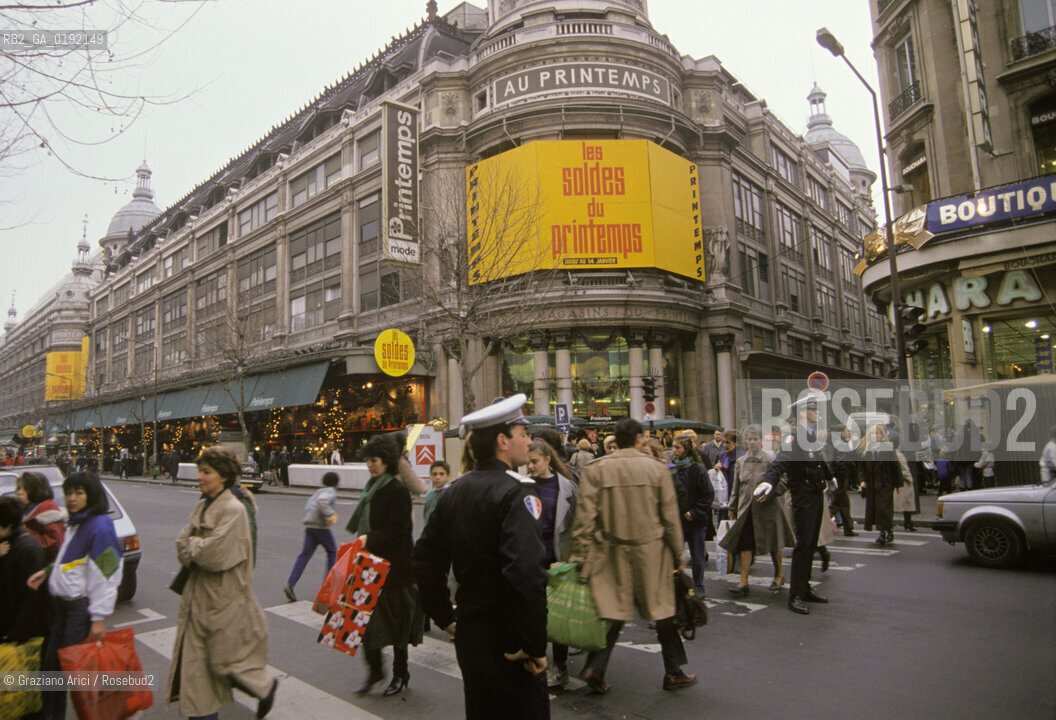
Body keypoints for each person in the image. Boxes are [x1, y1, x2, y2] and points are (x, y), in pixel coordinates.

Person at [412, 394, 550, 720]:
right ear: (503, 441)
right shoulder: (517, 492)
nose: (529, 442)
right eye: (523, 434)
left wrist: (445, 617)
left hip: (471, 632)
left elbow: (425, 562)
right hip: (510, 638)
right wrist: (533, 643)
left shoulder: (453, 492)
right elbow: (527, 573)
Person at [569, 417, 696, 693]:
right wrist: (678, 554)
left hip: (611, 552)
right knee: (664, 614)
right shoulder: (656, 468)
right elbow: (670, 517)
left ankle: (596, 667)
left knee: (615, 613)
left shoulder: (596, 468)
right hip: (652, 552)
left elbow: (584, 519)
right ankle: (673, 671)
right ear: (639, 439)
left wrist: (579, 556)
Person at [168, 447, 277, 720]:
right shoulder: (203, 503)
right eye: (200, 471)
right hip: (199, 602)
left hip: (220, 603)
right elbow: (182, 544)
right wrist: (195, 546)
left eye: (207, 472)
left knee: (210, 675)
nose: (200, 477)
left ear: (224, 476)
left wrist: (193, 546)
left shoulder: (233, 509)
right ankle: (261, 687)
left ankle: (262, 686)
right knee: (200, 680)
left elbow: (212, 555)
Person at [28, 472, 123, 720]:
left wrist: (99, 617)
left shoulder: (100, 526)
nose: (71, 498)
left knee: (78, 677)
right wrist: (48, 572)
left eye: (79, 493)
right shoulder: (78, 521)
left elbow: (108, 574)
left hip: (79, 611)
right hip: (62, 609)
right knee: (53, 671)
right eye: (69, 492)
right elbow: (72, 562)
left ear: (91, 495)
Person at [346, 434, 424, 697]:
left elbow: (399, 532)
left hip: (394, 569)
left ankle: (401, 674)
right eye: (367, 460)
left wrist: (369, 538)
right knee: (364, 625)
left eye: (374, 460)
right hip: (368, 565)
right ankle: (376, 670)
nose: (370, 465)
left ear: (387, 461)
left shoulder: (397, 491)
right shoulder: (372, 486)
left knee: (398, 628)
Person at [759, 400, 833, 615]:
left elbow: (817, 460)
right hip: (803, 496)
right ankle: (796, 595)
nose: (818, 413)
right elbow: (781, 461)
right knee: (803, 545)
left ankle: (805, 587)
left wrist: (830, 476)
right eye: (813, 409)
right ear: (802, 413)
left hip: (815, 494)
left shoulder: (810, 434)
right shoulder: (793, 436)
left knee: (811, 544)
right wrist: (769, 481)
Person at [525, 438, 578, 688]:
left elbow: (579, 523)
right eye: (527, 462)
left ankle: (560, 665)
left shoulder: (566, 486)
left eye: (534, 462)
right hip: (530, 558)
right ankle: (536, 660)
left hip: (558, 558)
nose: (530, 467)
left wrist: (575, 558)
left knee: (558, 617)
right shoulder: (522, 486)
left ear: (547, 460)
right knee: (533, 613)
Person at [721, 424, 794, 595]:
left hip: (768, 508)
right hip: (746, 509)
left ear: (761, 441)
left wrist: (772, 493)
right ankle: (743, 582)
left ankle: (779, 575)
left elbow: (783, 480)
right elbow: (736, 487)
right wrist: (732, 507)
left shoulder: (770, 460)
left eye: (755, 439)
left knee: (774, 543)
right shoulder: (741, 462)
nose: (752, 442)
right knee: (746, 544)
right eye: (749, 439)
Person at [283, 471, 340, 603]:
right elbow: (322, 502)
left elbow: (310, 504)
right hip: (321, 528)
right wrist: (330, 515)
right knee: (332, 552)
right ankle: (328, 586)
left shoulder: (319, 491)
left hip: (310, 526)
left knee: (304, 556)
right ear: (335, 484)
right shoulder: (330, 491)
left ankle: (291, 584)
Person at [0, 495, 48, 644]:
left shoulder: (27, 550)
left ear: (7, 525)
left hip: (17, 635)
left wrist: (17, 633)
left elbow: (31, 599)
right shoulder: (6, 543)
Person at [670, 435, 713, 594]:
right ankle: (679, 587)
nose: (674, 451)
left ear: (686, 450)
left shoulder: (697, 469)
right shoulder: (671, 468)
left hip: (695, 520)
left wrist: (695, 512)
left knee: (697, 557)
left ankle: (699, 586)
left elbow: (708, 494)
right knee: (676, 557)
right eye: (673, 447)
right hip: (677, 520)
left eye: (677, 447)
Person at [858, 424, 903, 547]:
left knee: (884, 509)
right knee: (877, 510)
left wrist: (899, 484)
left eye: (877, 433)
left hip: (885, 483)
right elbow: (861, 468)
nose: (875, 436)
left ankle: (884, 532)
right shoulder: (866, 449)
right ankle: (887, 531)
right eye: (872, 434)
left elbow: (896, 467)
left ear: (882, 435)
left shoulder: (888, 448)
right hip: (872, 485)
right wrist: (862, 480)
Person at [15, 470, 67, 562]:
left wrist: (25, 531)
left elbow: (54, 544)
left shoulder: (48, 512)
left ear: (37, 490)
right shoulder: (22, 510)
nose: (19, 492)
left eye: (25, 489)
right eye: (18, 488)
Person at [829, 426, 860, 537]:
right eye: (847, 431)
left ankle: (848, 529)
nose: (849, 433)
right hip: (841, 478)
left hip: (838, 478)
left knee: (844, 504)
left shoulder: (835, 443)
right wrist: (848, 473)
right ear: (841, 433)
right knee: (837, 504)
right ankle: (822, 522)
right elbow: (841, 462)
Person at [423, 460, 451, 526]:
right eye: (434, 474)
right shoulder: (430, 495)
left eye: (441, 474)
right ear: (431, 477)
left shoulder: (451, 494)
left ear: (448, 476)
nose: (437, 477)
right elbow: (426, 515)